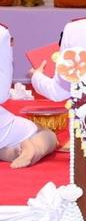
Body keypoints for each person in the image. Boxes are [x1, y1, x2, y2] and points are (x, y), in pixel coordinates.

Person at [0, 24, 58, 168]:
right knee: (47, 134)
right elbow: (1, 94)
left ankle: (17, 151)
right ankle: (31, 149)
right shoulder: (1, 33)